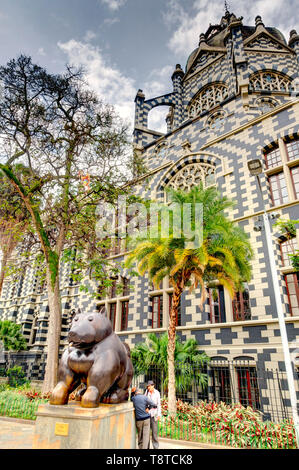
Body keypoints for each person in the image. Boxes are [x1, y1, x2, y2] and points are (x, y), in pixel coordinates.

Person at [144, 380, 161, 449]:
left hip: (154, 414)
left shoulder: (157, 393)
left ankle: (155, 447)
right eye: (148, 386)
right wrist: (145, 408)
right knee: (147, 432)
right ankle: (147, 447)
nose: (149, 387)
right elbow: (144, 401)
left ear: (153, 386)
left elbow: (159, 404)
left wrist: (159, 414)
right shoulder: (146, 392)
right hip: (147, 414)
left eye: (150, 386)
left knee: (154, 432)